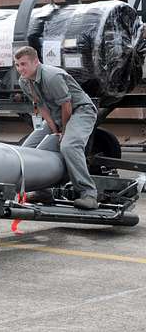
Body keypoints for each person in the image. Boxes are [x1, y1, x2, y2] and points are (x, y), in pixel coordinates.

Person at [14, 46, 99, 210]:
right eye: (17, 65)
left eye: (23, 64)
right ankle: (43, 191)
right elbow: (41, 107)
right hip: (56, 116)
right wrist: (54, 131)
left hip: (80, 111)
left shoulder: (51, 76)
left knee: (68, 145)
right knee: (27, 150)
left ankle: (88, 194)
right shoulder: (24, 81)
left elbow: (67, 105)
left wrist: (63, 133)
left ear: (36, 62)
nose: (20, 69)